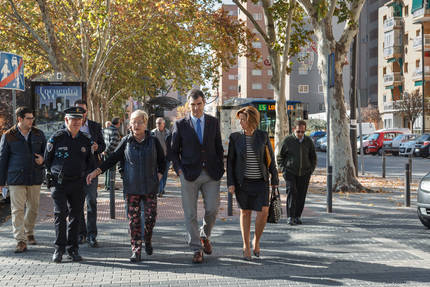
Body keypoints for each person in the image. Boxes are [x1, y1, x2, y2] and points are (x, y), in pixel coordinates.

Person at [86, 110, 165, 263]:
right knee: (134, 220)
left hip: (150, 187)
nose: (136, 125)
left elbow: (162, 161)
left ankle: (147, 240)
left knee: (150, 218)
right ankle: (136, 250)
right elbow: (113, 158)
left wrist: (159, 175)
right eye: (134, 122)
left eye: (140, 122)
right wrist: (97, 171)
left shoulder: (153, 141)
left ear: (145, 123)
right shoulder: (127, 141)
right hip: (132, 188)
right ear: (130, 124)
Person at [171, 89, 224, 264]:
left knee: (212, 209)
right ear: (188, 105)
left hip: (211, 174)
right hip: (188, 174)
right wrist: (179, 171)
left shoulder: (213, 122)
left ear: (204, 103)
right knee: (190, 214)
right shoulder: (180, 125)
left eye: (199, 104)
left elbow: (218, 147)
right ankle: (196, 249)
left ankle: (204, 235)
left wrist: (221, 169)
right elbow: (173, 152)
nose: (196, 108)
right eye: (192, 105)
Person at [44, 107, 96, 263]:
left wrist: (88, 175)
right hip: (59, 183)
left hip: (77, 183)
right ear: (66, 120)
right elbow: (48, 160)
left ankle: (73, 249)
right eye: (73, 120)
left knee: (76, 216)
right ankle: (59, 249)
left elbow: (90, 162)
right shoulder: (56, 138)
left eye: (79, 120)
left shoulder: (86, 140)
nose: (76, 123)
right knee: (60, 213)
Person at [227, 106, 278, 260]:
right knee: (245, 212)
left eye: (243, 119)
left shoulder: (262, 136)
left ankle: (256, 240)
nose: (241, 122)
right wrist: (231, 183)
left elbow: (270, 159)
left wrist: (274, 179)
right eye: (240, 119)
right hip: (242, 183)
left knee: (263, 213)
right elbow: (230, 162)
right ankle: (246, 245)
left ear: (251, 120)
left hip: (261, 182)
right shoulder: (235, 138)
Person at [0, 107, 46, 253]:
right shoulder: (8, 136)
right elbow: (2, 159)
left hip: (35, 176)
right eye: (28, 118)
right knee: (17, 210)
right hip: (15, 178)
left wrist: (43, 160)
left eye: (32, 118)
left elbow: (47, 153)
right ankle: (20, 240)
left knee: (33, 208)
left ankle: (29, 231)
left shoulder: (39, 134)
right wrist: (1, 182)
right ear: (20, 119)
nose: (31, 121)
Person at [74, 100, 105, 248]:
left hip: (91, 169)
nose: (80, 113)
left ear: (87, 112)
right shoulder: (70, 125)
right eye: (78, 110)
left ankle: (92, 235)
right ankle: (81, 234)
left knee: (91, 201)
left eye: (83, 110)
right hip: (75, 171)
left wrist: (97, 147)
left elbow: (103, 145)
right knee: (77, 203)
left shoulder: (95, 126)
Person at [277, 120, 317, 226]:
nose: (300, 134)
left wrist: (310, 170)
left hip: (304, 173)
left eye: (302, 132)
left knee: (301, 195)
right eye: (298, 131)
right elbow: (280, 157)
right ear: (294, 129)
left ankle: (298, 216)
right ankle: (290, 216)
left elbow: (313, 157)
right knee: (292, 192)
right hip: (290, 172)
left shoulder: (308, 141)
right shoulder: (288, 141)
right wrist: (283, 170)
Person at [151, 117, 171, 197]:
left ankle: (162, 188)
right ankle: (159, 190)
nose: (157, 125)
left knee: (165, 174)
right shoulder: (152, 133)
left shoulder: (169, 133)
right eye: (156, 123)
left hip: (166, 157)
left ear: (163, 124)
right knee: (158, 173)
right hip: (156, 157)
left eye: (159, 123)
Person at [103, 117, 121, 192]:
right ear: (118, 123)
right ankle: (110, 185)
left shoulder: (106, 129)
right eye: (120, 122)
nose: (120, 124)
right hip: (111, 153)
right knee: (112, 170)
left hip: (105, 152)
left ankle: (106, 185)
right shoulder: (115, 131)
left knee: (106, 169)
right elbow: (113, 143)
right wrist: (107, 151)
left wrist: (104, 151)